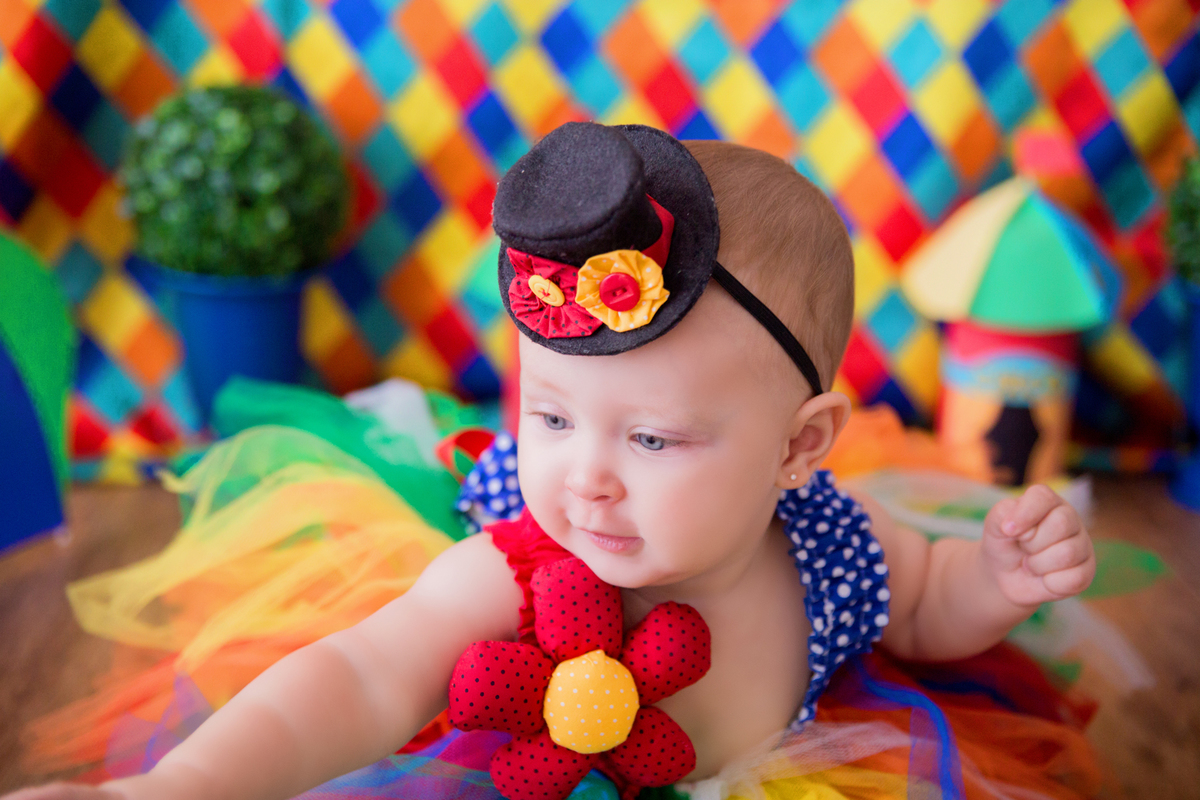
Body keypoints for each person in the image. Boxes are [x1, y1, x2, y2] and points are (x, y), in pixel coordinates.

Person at [7, 123, 1098, 800]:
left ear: (800, 446)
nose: (587, 475)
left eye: (655, 436)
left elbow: (926, 607)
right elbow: (361, 675)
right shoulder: (518, 569)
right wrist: (182, 784)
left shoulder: (835, 549)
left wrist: (992, 582)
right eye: (553, 414)